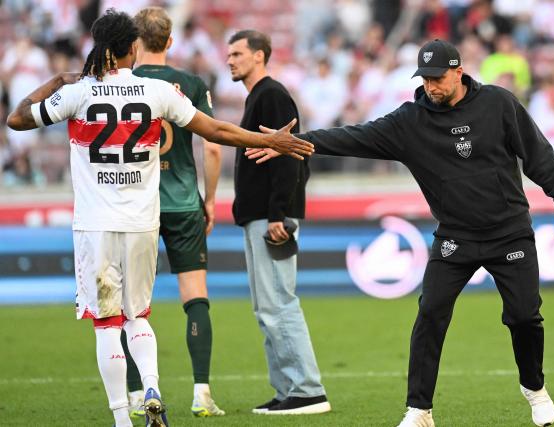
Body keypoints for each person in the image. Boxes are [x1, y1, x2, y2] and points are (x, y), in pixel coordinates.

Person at [248, 39, 554, 427]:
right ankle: (419, 410)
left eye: (438, 78)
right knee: (430, 316)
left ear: (459, 71)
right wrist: (294, 144)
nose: (431, 86)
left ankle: (534, 388)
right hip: (455, 237)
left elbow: (537, 152)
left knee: (525, 318)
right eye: (425, 79)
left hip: (509, 233)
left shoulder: (499, 103)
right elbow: (353, 136)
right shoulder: (409, 122)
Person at [6, 9, 312, 427]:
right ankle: (152, 387)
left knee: (106, 324)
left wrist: (58, 81)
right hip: (142, 224)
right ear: (131, 48)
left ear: (98, 48)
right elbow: (215, 132)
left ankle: (122, 418)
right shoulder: (156, 91)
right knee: (138, 316)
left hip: (96, 226)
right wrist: (269, 138)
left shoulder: (77, 93)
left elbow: (18, 118)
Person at [119, 6, 224, 419]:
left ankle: (131, 393)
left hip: (136, 204)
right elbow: (213, 146)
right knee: (195, 297)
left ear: (134, 43)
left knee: (131, 305)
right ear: (171, 41)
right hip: (183, 203)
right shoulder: (191, 83)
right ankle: (201, 393)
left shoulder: (120, 84)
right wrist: (210, 199)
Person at [226, 30, 331, 415]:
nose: (230, 60)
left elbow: (291, 155)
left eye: (237, 53)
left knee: (279, 304)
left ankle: (308, 390)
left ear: (259, 56)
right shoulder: (260, 96)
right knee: (266, 307)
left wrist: (279, 214)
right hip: (259, 215)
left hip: (271, 217)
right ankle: (287, 387)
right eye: (229, 54)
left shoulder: (271, 95)